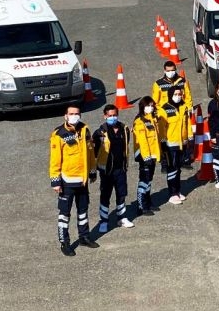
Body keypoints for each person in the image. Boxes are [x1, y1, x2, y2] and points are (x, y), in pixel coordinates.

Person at [49, 105, 99, 257]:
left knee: (83, 211)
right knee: (65, 213)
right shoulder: (59, 134)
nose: (74, 116)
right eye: (71, 114)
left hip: (82, 180)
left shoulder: (85, 130)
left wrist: (92, 171)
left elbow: (90, 153)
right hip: (66, 181)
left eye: (77, 113)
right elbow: (55, 160)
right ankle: (65, 242)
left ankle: (84, 237)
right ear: (66, 116)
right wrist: (55, 181)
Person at [92, 104, 135, 233]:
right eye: (110, 116)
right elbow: (94, 153)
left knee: (121, 194)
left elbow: (125, 147)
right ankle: (104, 221)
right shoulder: (99, 133)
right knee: (105, 196)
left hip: (120, 169)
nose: (112, 117)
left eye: (115, 115)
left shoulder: (125, 129)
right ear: (105, 116)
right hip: (106, 171)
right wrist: (93, 171)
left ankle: (121, 218)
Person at [158, 87, 190, 205]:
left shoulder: (183, 107)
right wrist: (163, 144)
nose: (178, 96)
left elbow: (187, 123)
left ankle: (177, 191)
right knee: (172, 169)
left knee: (178, 168)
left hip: (182, 143)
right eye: (176, 94)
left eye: (180, 94)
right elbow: (162, 129)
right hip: (170, 145)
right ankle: (172, 193)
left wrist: (188, 138)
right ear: (170, 95)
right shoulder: (164, 109)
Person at [133, 96, 161, 216]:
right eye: (148, 106)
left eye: (152, 105)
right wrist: (146, 156)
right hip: (145, 156)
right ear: (142, 107)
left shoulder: (152, 119)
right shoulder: (140, 121)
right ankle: (141, 205)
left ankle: (148, 201)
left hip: (153, 155)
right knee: (144, 181)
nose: (150, 108)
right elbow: (143, 141)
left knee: (149, 180)